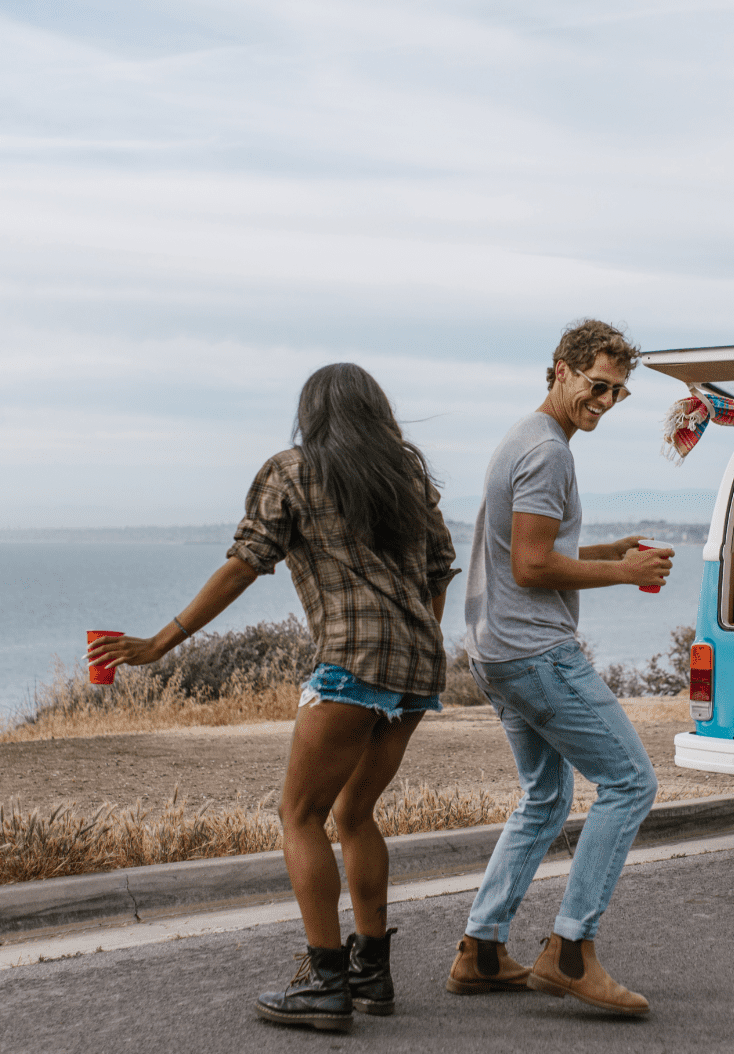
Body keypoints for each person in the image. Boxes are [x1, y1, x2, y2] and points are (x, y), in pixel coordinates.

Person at [88, 363, 457, 1033]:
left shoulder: (292, 470)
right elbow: (438, 571)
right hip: (420, 664)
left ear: (311, 412)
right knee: (355, 814)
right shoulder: (405, 474)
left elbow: (246, 562)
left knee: (299, 814)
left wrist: (162, 642)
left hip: (351, 660)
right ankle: (373, 974)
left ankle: (325, 982)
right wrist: (415, 644)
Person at [444, 318, 671, 1017]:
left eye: (619, 393)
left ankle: (481, 950)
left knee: (545, 798)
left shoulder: (525, 438)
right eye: (597, 386)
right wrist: (627, 575)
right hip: (537, 652)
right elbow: (533, 564)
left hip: (496, 650)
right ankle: (570, 951)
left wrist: (604, 553)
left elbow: (532, 545)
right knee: (630, 783)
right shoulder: (549, 453)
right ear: (561, 370)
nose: (605, 401)